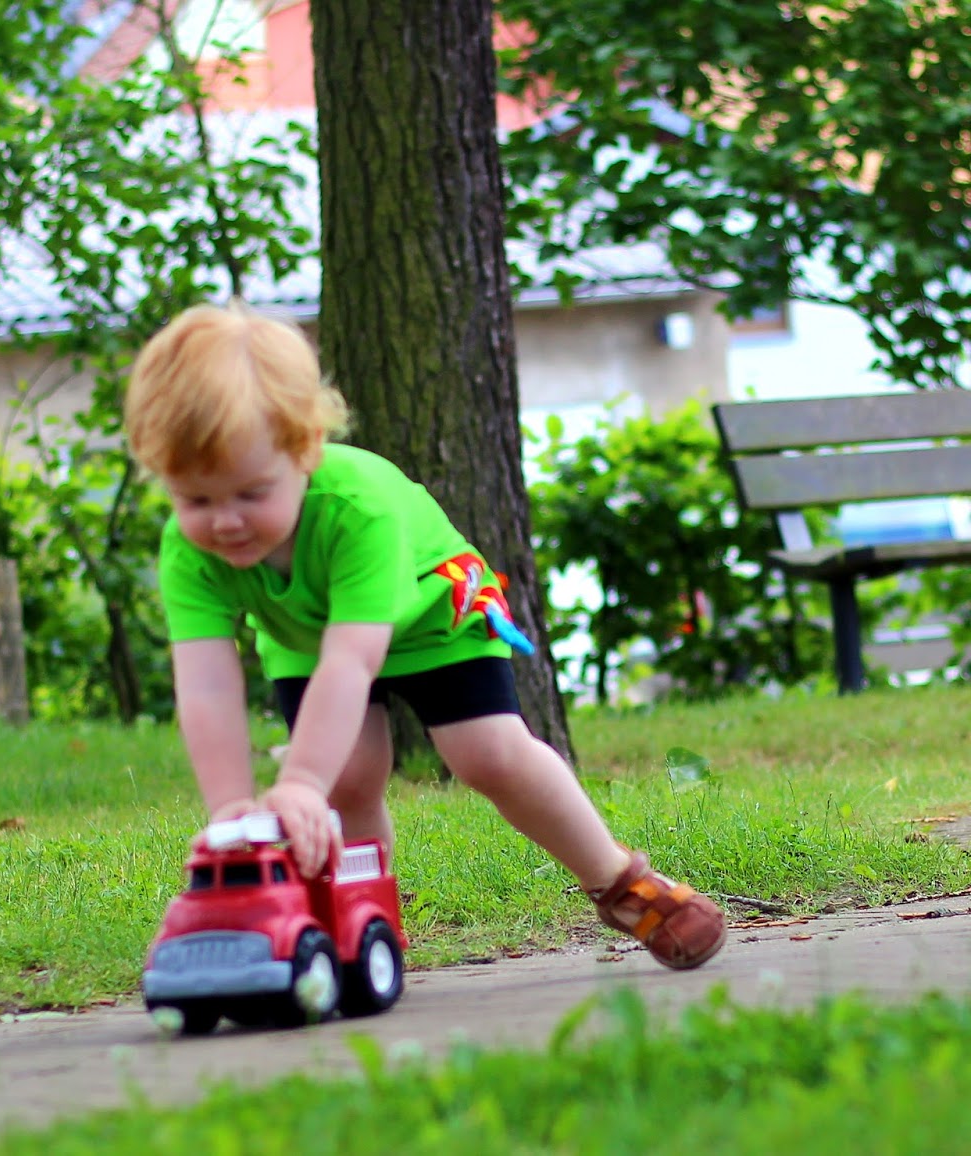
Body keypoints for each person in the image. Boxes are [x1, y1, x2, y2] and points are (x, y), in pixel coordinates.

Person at [123, 300, 726, 970]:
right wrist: (232, 808)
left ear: (305, 452)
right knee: (346, 775)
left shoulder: (356, 511)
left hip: (432, 611)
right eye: (196, 501)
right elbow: (205, 682)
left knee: (486, 752)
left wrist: (295, 784)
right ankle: (359, 921)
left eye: (250, 493)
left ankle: (620, 882)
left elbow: (354, 659)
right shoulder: (187, 550)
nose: (224, 523)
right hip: (309, 638)